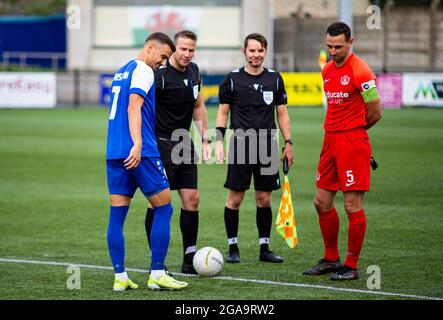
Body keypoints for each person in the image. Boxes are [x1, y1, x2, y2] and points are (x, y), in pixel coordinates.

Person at [105, 32, 188, 291]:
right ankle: (157, 273)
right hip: (141, 152)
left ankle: (120, 277)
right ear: (149, 47)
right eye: (162, 56)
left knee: (117, 215)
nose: (163, 63)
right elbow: (133, 108)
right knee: (164, 208)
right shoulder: (143, 70)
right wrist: (138, 143)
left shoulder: (122, 70)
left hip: (114, 152)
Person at [302, 22, 382, 280]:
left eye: (338, 46)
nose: (333, 51)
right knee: (321, 202)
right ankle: (331, 258)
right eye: (329, 46)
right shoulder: (326, 70)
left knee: (351, 204)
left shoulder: (362, 71)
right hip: (330, 141)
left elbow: (375, 113)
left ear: (351, 42)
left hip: (352, 142)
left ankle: (351, 265)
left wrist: (355, 132)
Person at [215, 33, 294, 264]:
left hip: (268, 145)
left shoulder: (275, 79)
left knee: (264, 199)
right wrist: (219, 140)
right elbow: (222, 111)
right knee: (235, 199)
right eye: (252, 51)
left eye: (260, 51)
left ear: (265, 52)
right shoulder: (232, 79)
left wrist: (288, 143)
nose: (256, 55)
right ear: (244, 52)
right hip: (240, 144)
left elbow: (282, 113)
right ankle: (232, 248)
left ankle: (264, 248)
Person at [144, 30, 211, 274]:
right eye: (183, 49)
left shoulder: (194, 71)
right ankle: (157, 262)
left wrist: (205, 139)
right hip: (160, 144)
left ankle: (189, 258)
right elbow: (143, 108)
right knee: (158, 204)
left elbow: (198, 105)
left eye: (191, 50)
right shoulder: (159, 76)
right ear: (174, 49)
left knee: (192, 199)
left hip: (184, 144)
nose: (187, 54)